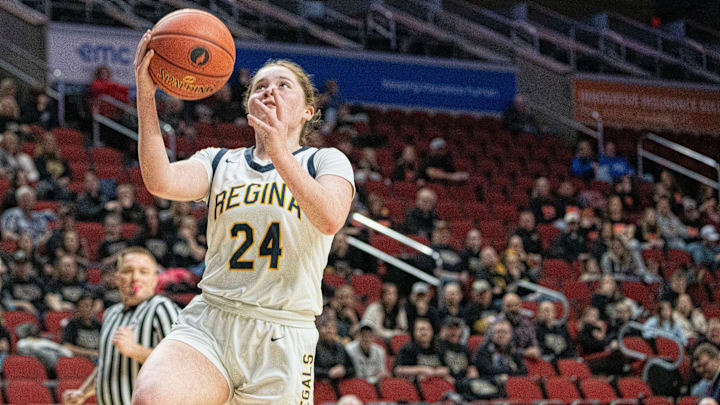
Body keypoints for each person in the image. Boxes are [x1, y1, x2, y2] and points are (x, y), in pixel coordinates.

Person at [132, 33, 355, 405]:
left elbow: (330, 217)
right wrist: (145, 95)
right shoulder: (219, 161)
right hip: (212, 320)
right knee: (152, 398)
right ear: (249, 106)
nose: (270, 91)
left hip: (282, 333)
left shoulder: (324, 161)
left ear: (307, 111)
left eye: (283, 86)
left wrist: (280, 150)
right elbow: (161, 181)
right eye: (260, 86)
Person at [62, 247, 180, 405]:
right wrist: (82, 392)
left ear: (155, 279)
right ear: (117, 278)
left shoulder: (162, 308)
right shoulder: (110, 313)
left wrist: (135, 350)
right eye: (128, 271)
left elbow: (178, 364)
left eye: (143, 272)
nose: (135, 278)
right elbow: (107, 364)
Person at [394, 317, 453, 383]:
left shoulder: (438, 348)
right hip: (417, 386)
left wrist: (433, 372)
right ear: (414, 332)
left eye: (427, 329)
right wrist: (421, 369)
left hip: (438, 385)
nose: (424, 333)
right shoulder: (407, 349)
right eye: (420, 329)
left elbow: (447, 368)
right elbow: (398, 370)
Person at [314, 311, 354, 383]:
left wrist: (343, 370)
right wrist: (328, 372)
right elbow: (309, 369)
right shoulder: (314, 347)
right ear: (318, 329)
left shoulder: (340, 346)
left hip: (339, 384)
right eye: (325, 326)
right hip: (320, 385)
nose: (330, 330)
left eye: (332, 327)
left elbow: (352, 368)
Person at [61, 293, 102, 359]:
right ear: (78, 308)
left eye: (91, 306)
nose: (89, 309)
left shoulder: (99, 325)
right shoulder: (72, 324)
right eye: (85, 306)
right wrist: (89, 352)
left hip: (97, 358)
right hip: (80, 359)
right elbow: (67, 346)